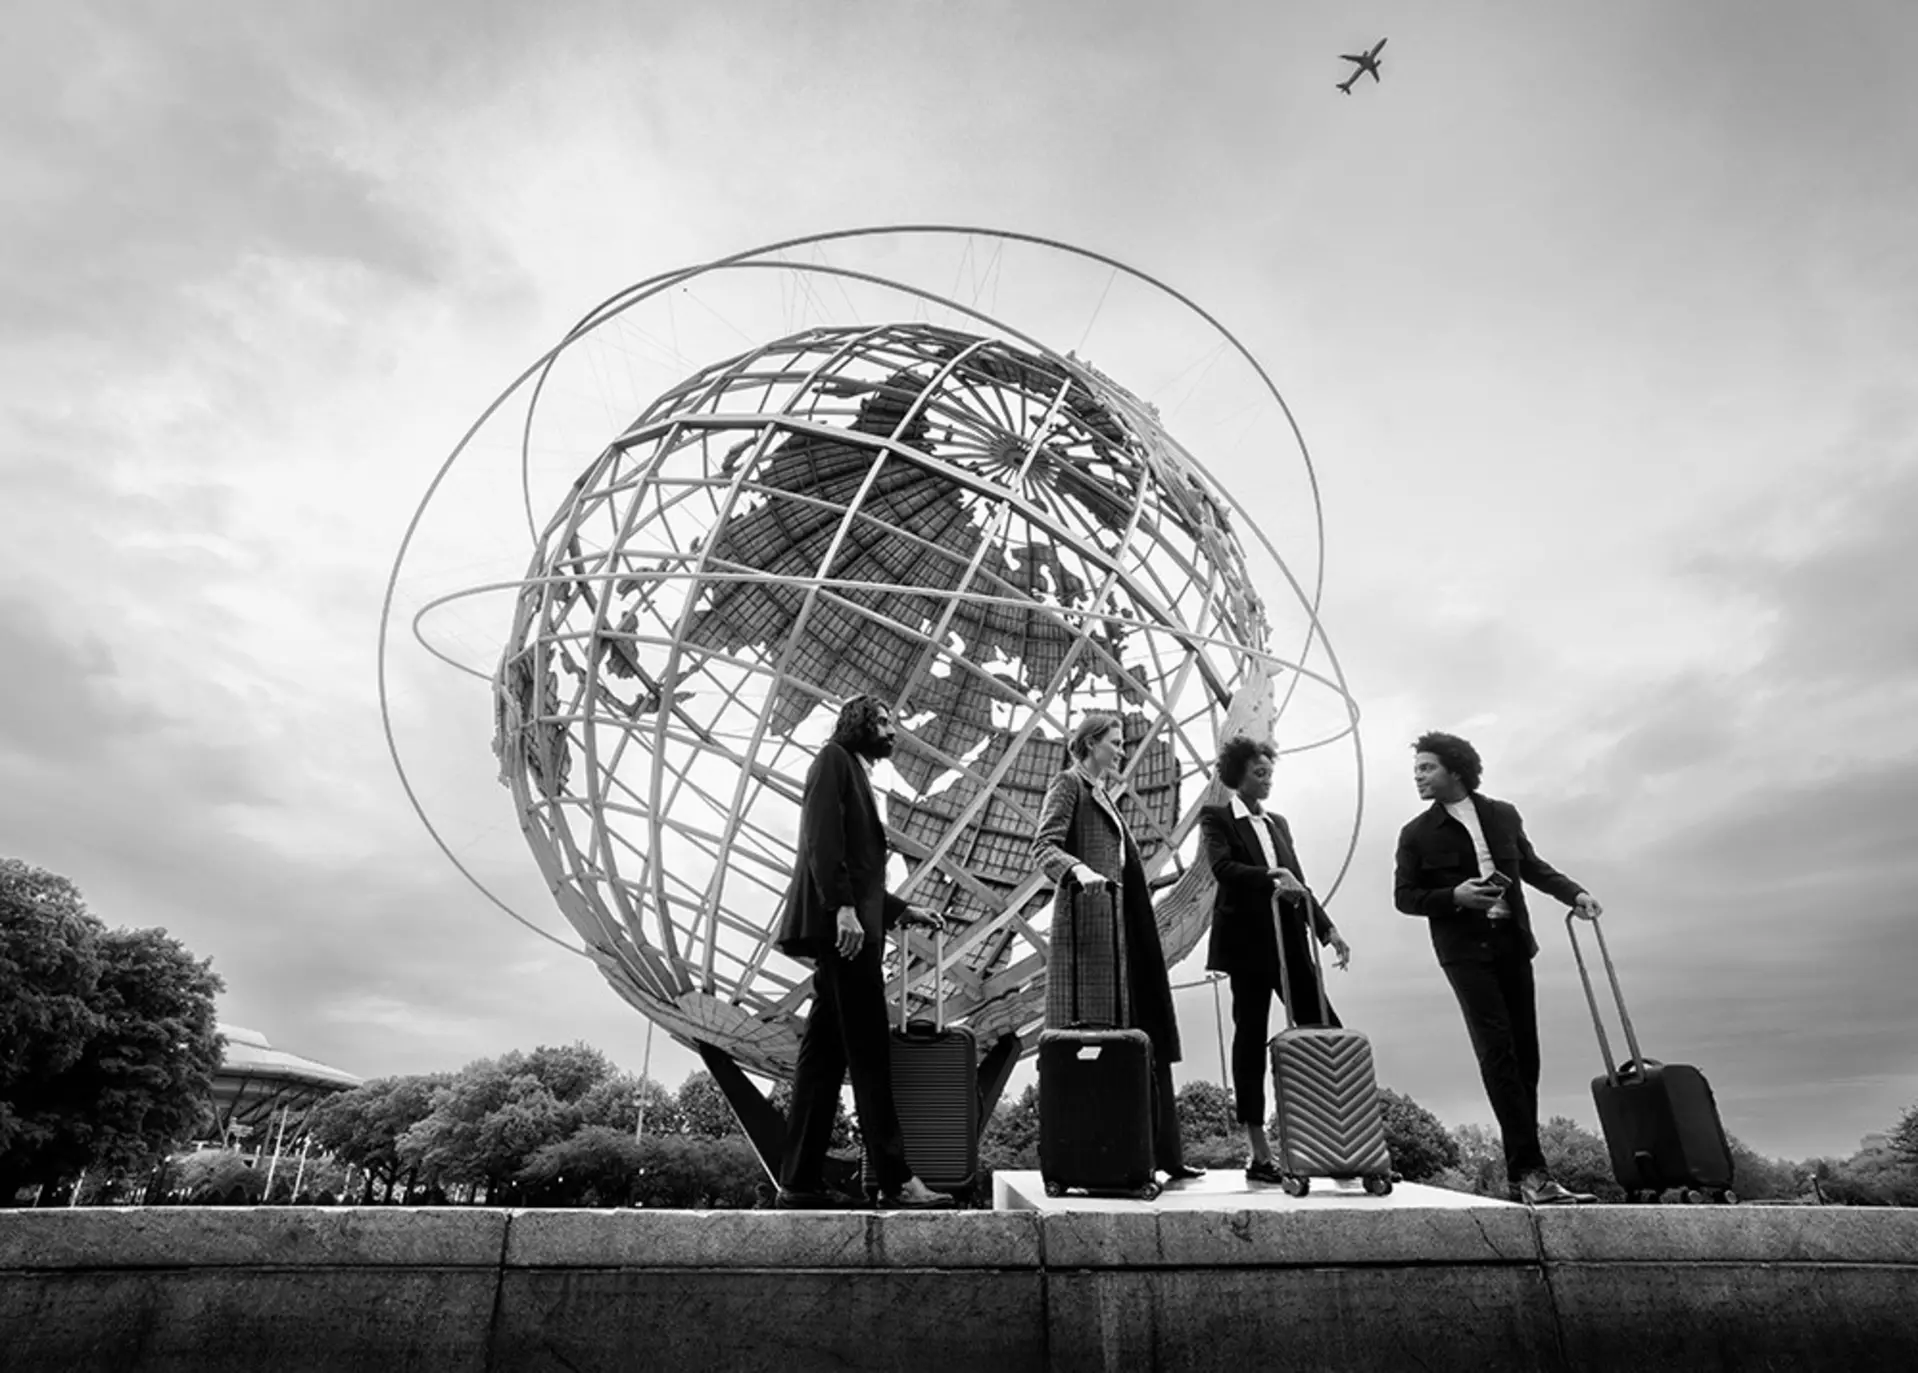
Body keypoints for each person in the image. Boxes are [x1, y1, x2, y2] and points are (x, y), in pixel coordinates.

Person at [1394, 731, 1602, 1206]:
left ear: (1456, 770)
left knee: (1526, 1054)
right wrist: (1454, 897)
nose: (1418, 776)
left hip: (1512, 944)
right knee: (1498, 1052)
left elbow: (1531, 866)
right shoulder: (1415, 834)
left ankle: (1525, 1174)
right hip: (1465, 952)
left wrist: (1575, 893)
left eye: (1427, 767)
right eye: (1417, 769)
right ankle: (1531, 1173)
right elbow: (1404, 897)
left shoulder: (1503, 815)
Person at [772, 694, 953, 1210]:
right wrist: (843, 910)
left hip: (852, 928)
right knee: (870, 1053)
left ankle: (798, 1182)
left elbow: (857, 863)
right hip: (846, 936)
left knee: (822, 1060)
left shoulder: (854, 769)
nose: (893, 732)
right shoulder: (833, 760)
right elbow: (822, 842)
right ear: (857, 724)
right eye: (883, 722)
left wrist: (900, 911)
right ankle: (896, 1180)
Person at [1033, 713, 1202, 1182]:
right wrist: (1077, 870)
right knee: (1101, 1046)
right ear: (1090, 744)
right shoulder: (1068, 785)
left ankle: (1161, 1152)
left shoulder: (1103, 792)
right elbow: (1044, 846)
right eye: (1115, 742)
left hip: (1126, 928)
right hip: (1093, 933)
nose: (1123, 750)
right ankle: (1101, 1156)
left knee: (1147, 1036)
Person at [1199, 735, 1352, 1184]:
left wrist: (1326, 929)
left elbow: (1298, 881)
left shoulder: (1278, 823)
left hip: (1289, 942)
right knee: (1250, 1041)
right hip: (1247, 945)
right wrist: (1271, 875)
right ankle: (1259, 1153)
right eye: (1258, 773)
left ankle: (1336, 1140)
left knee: (1325, 1032)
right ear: (1236, 775)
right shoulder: (1218, 818)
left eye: (1270, 773)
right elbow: (1223, 869)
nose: (1266, 781)